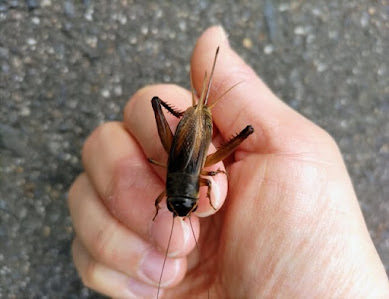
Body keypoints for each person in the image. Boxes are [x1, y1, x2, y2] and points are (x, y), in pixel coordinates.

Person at [68, 26, 389, 298]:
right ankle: (190, 115)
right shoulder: (199, 182)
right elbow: (170, 194)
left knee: (159, 110)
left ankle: (190, 115)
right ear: (197, 192)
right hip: (196, 152)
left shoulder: (193, 184)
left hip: (192, 148)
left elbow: (164, 196)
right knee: (157, 108)